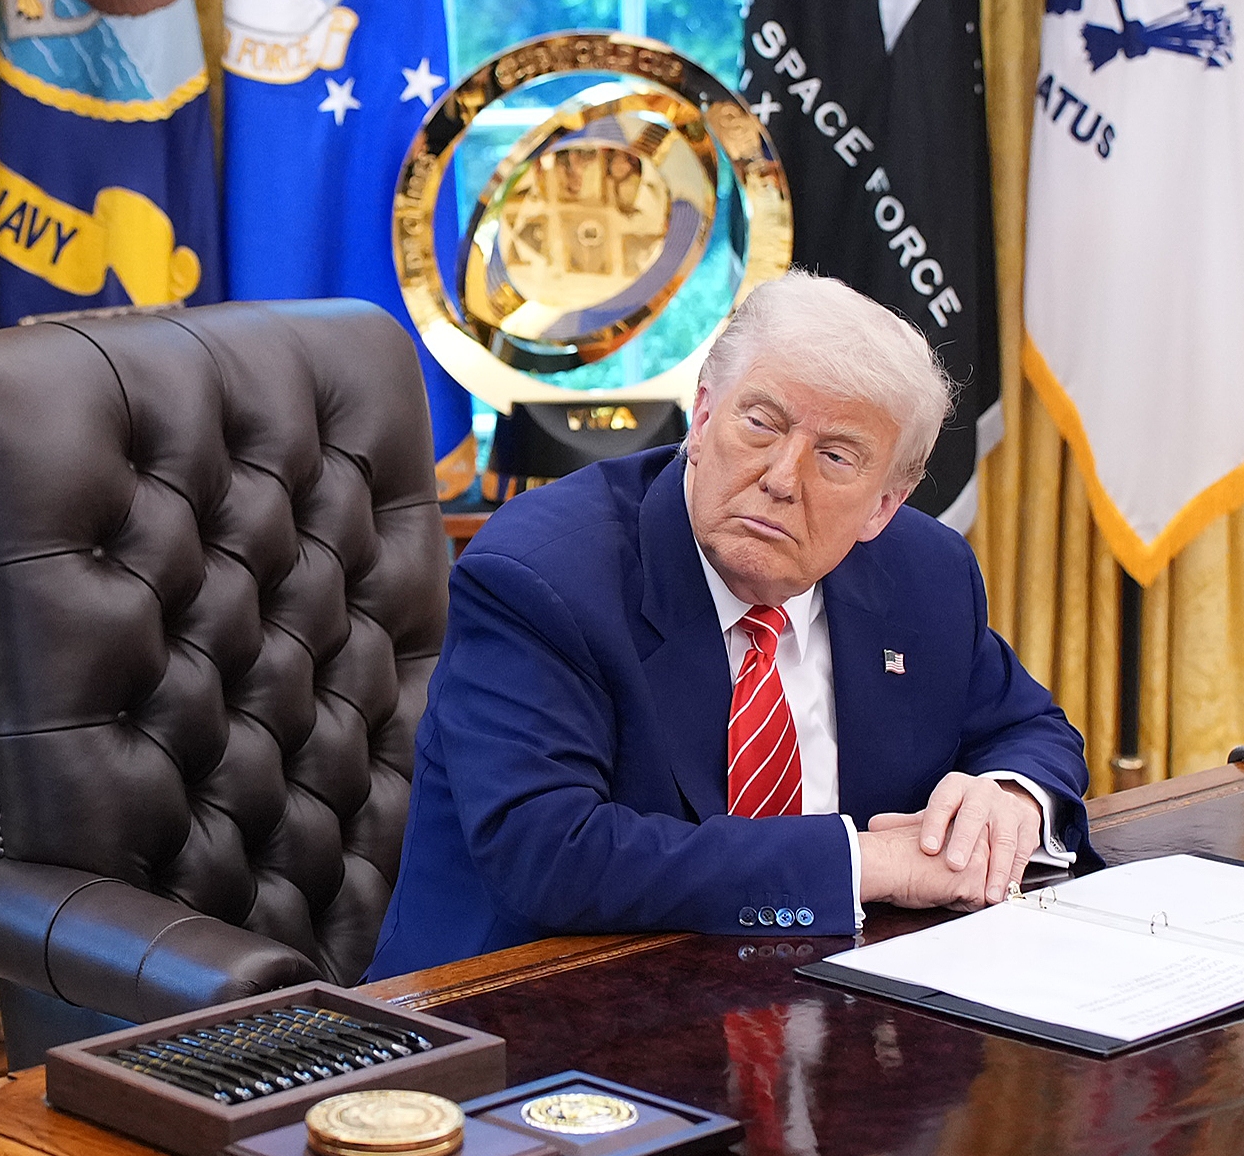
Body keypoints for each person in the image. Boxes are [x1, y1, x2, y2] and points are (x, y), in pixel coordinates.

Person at [369, 274, 1087, 974]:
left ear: (882, 505)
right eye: (761, 423)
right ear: (703, 415)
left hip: (838, 1008)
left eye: (835, 456)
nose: (780, 476)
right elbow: (551, 853)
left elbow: (1029, 729)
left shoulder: (925, 573)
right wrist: (863, 863)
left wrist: (1010, 797)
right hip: (528, 1017)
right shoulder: (541, 576)